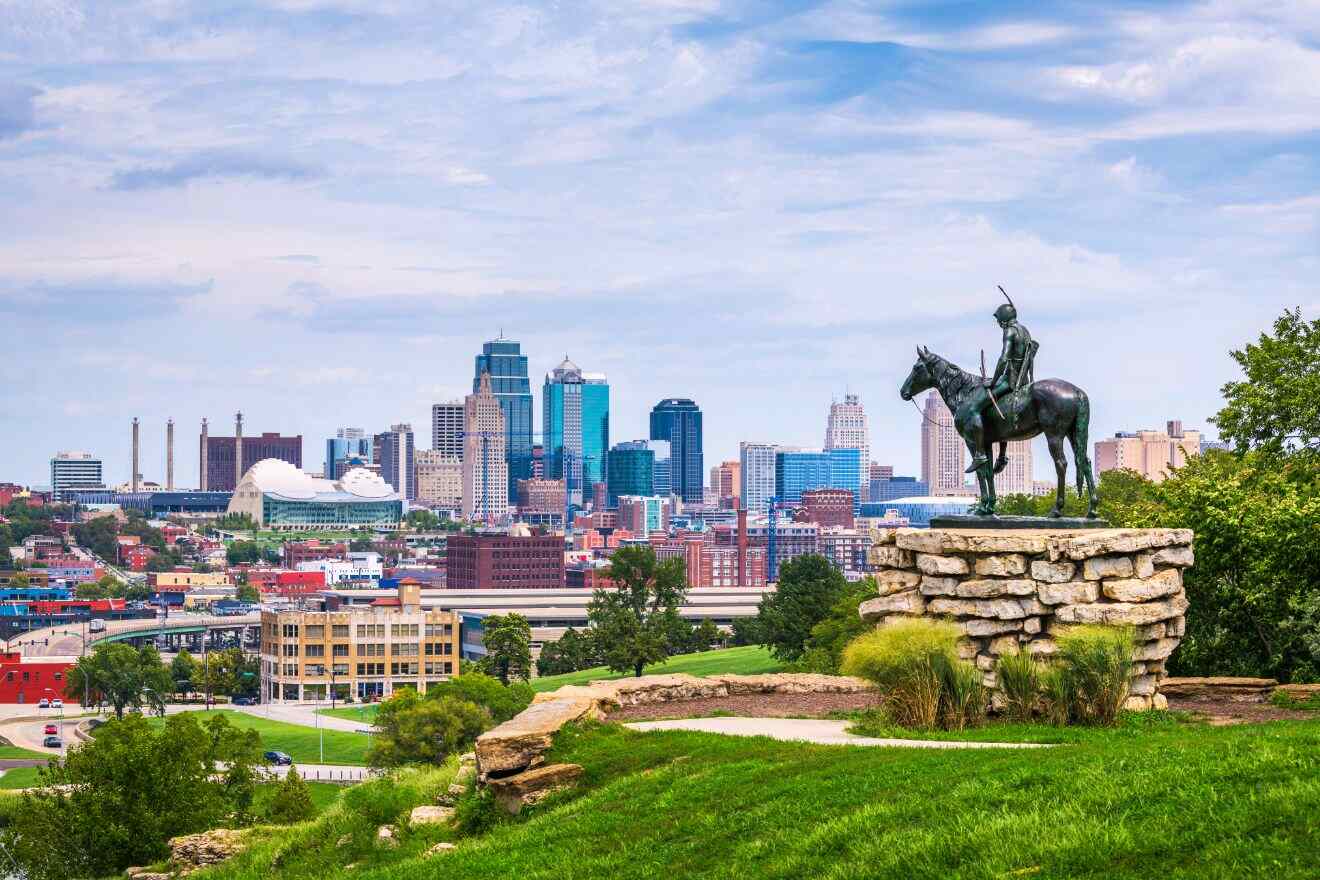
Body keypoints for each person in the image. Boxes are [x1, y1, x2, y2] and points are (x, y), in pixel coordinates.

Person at [959, 296, 1036, 473]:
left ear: (1004, 317)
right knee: (999, 412)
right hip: (1023, 379)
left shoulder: (1009, 331)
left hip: (1010, 380)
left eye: (998, 319)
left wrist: (992, 381)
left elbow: (1004, 358)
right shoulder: (1024, 330)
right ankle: (1001, 456)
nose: (998, 322)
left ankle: (979, 454)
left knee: (973, 409)